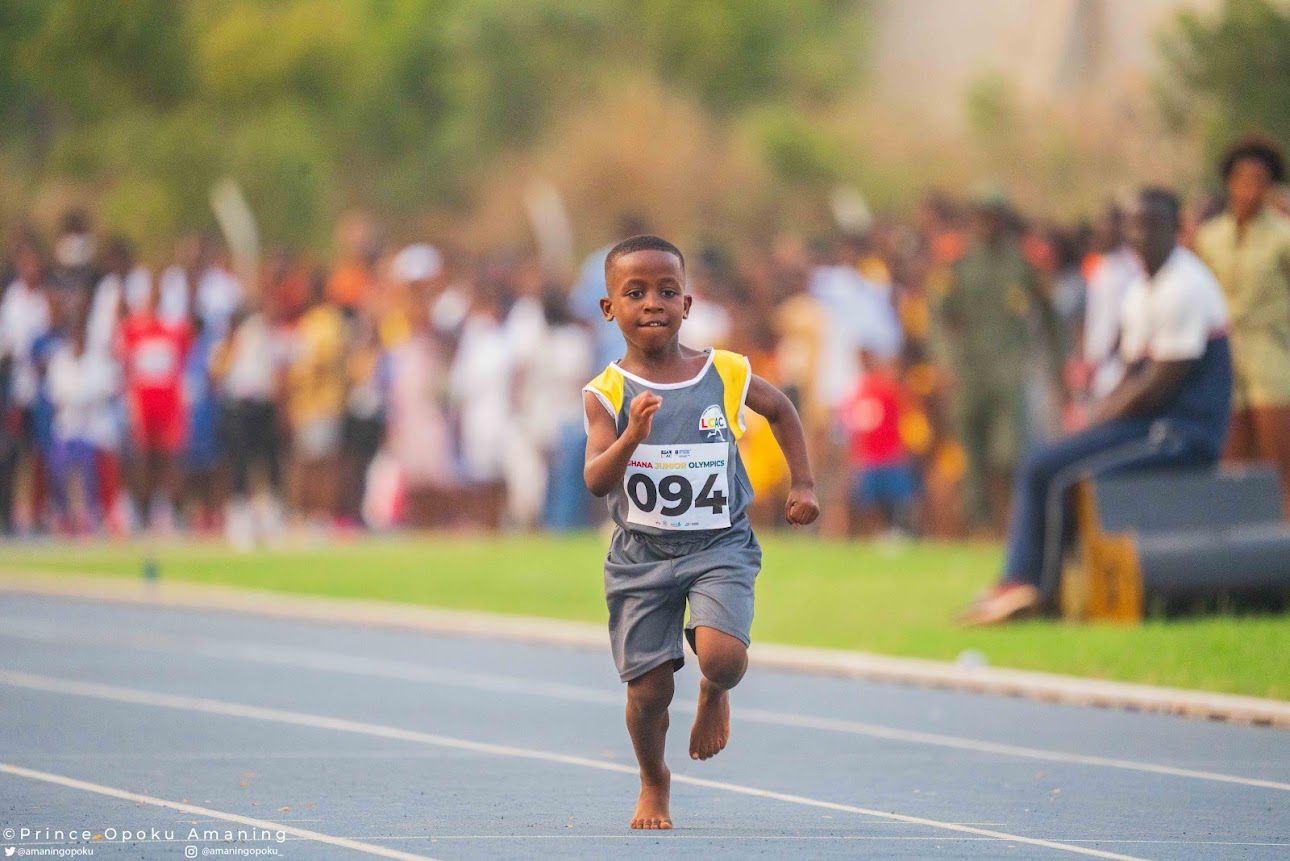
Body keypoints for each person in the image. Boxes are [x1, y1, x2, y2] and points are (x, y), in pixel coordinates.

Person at [582, 235, 819, 830]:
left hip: (719, 544)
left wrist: (804, 483)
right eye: (635, 293)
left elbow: (782, 409)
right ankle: (653, 779)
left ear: (687, 304)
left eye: (667, 291)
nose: (652, 303)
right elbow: (595, 478)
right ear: (609, 308)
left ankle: (715, 689)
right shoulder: (605, 393)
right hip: (642, 555)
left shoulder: (725, 372)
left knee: (725, 657)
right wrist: (630, 437)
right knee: (649, 693)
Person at [962, 188, 1233, 625]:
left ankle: (1038, 589)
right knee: (1041, 463)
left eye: (1152, 225)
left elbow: (1159, 385)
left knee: (1060, 473)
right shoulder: (1142, 287)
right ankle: (1022, 581)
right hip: (1147, 426)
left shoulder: (1185, 285)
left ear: (1176, 228)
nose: (1141, 236)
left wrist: (1098, 418)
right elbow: (1130, 373)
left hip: (1182, 430)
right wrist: (1097, 417)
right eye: (1134, 226)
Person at [938, 190, 1052, 534]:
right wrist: (945, 359)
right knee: (971, 455)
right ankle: (980, 529)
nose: (986, 223)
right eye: (980, 215)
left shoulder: (1021, 264)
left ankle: (1009, 524)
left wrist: (1054, 361)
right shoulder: (959, 265)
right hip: (969, 372)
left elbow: (1050, 314)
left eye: (992, 215)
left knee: (1008, 453)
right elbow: (938, 317)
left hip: (1008, 370)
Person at [1195, 138, 1290, 512]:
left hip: (1271, 347)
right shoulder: (1209, 237)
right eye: (1242, 180)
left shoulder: (1283, 235)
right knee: (1233, 459)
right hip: (1226, 350)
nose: (1250, 190)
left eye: (1259, 181)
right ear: (1229, 182)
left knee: (1278, 455)